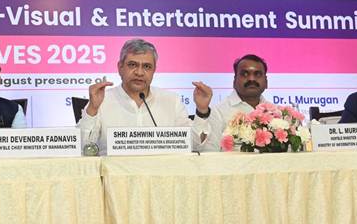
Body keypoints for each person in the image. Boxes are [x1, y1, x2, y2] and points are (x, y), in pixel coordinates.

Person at [78, 38, 213, 154]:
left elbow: (194, 145)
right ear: (120, 67)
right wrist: (92, 109)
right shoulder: (102, 100)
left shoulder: (172, 101)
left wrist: (202, 112)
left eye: (147, 67)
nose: (139, 72)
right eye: (132, 65)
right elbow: (82, 147)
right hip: (115, 173)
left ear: (154, 70)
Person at [204, 54, 270, 151]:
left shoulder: (276, 113)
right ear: (234, 81)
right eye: (245, 74)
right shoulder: (218, 112)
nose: (251, 79)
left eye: (257, 74)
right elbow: (210, 153)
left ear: (266, 82)